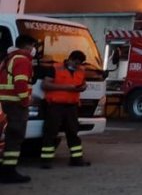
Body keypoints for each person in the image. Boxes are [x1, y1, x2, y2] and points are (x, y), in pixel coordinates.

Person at [40, 50, 91, 168]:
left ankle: (76, 159)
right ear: (70, 59)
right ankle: (46, 161)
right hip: (55, 105)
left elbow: (82, 83)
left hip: (72, 106)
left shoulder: (81, 71)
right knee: (50, 132)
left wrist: (82, 87)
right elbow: (45, 85)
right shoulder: (55, 68)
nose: (77, 66)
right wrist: (67, 87)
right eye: (75, 63)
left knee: (73, 133)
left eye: (79, 64)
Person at [0, 34, 38, 183]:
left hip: (5, 103)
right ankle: (8, 172)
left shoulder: (9, 58)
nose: (34, 50)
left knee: (7, 136)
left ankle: (5, 169)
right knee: (15, 137)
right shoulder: (22, 60)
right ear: (28, 46)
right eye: (33, 46)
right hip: (16, 104)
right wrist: (25, 101)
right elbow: (20, 83)